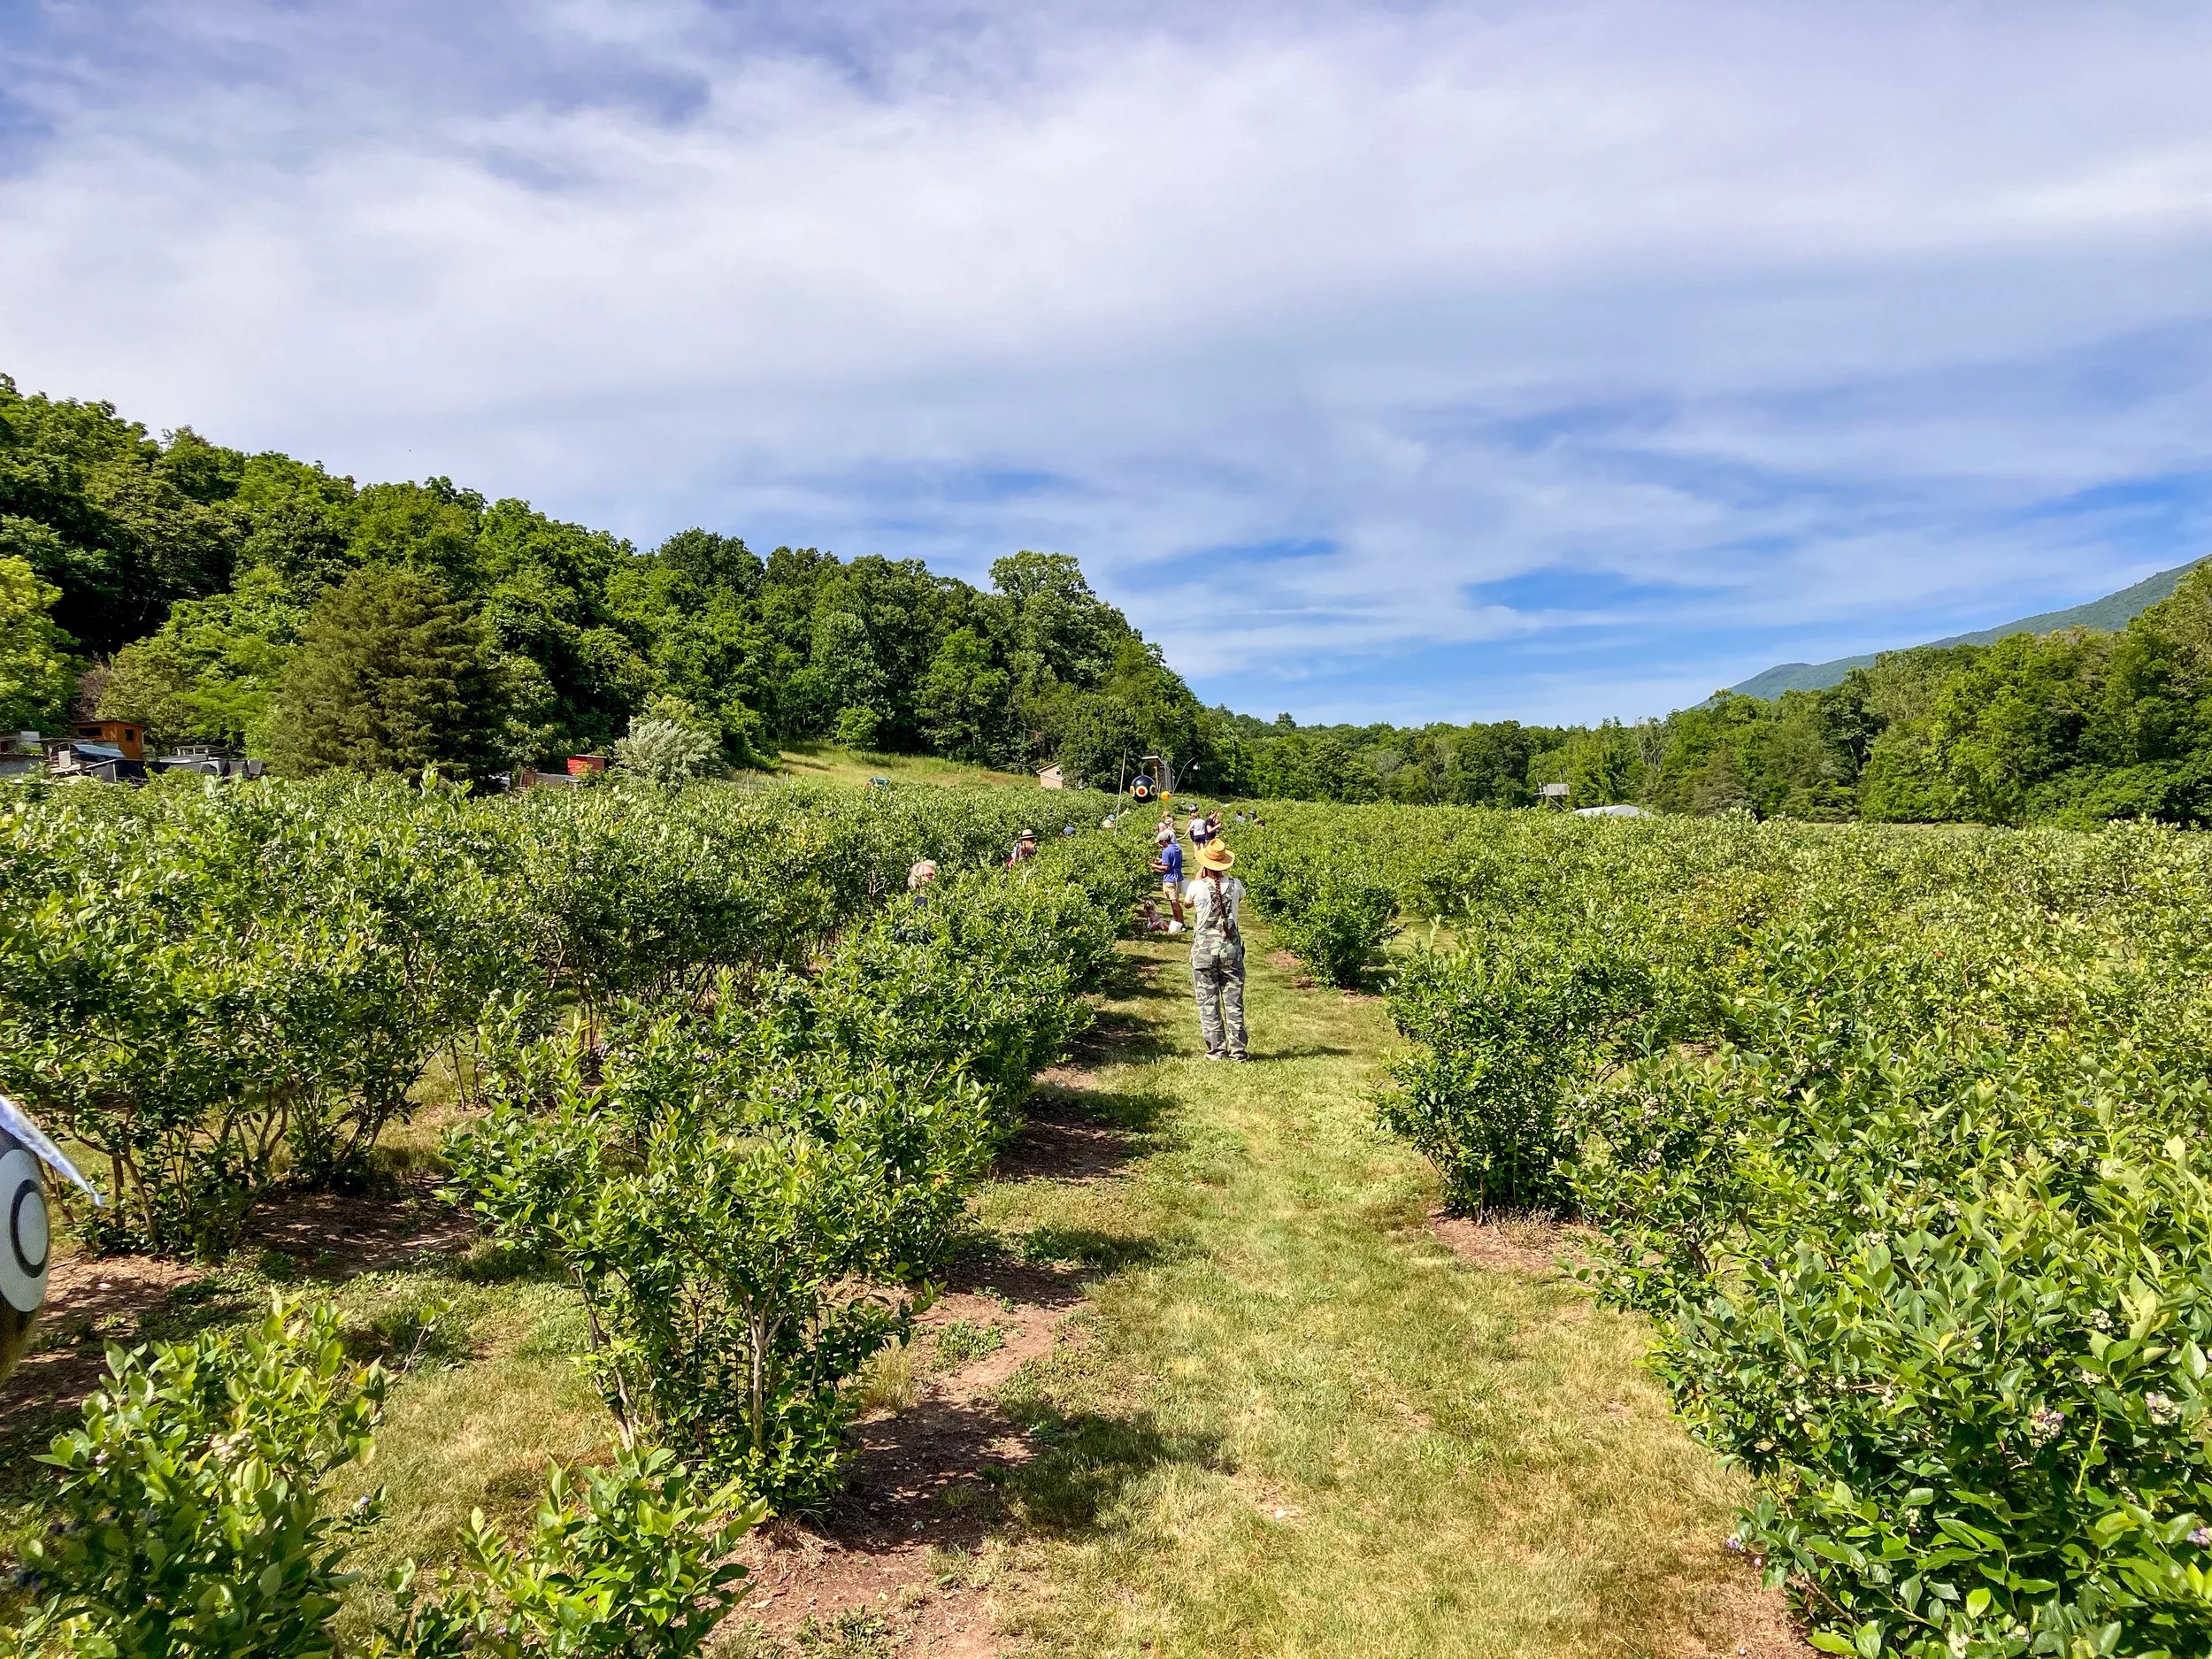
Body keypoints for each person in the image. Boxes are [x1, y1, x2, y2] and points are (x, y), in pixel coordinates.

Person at [1186, 840, 1248, 1060]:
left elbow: (1187, 904)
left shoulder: (1197, 886)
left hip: (1203, 952)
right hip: (1231, 951)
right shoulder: (1236, 884)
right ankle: (1238, 1049)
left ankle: (1216, 1049)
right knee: (1233, 1001)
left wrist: (1198, 878)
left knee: (1207, 1001)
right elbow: (1239, 898)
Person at [1151, 828, 1185, 925]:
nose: (1160, 845)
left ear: (1164, 841)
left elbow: (1166, 867)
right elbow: (1173, 858)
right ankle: (1179, 921)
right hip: (1178, 876)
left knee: (1173, 902)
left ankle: (1180, 923)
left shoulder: (1165, 851)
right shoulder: (1177, 847)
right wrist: (1162, 860)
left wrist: (1155, 866)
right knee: (1176, 901)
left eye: (1161, 842)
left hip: (1170, 878)